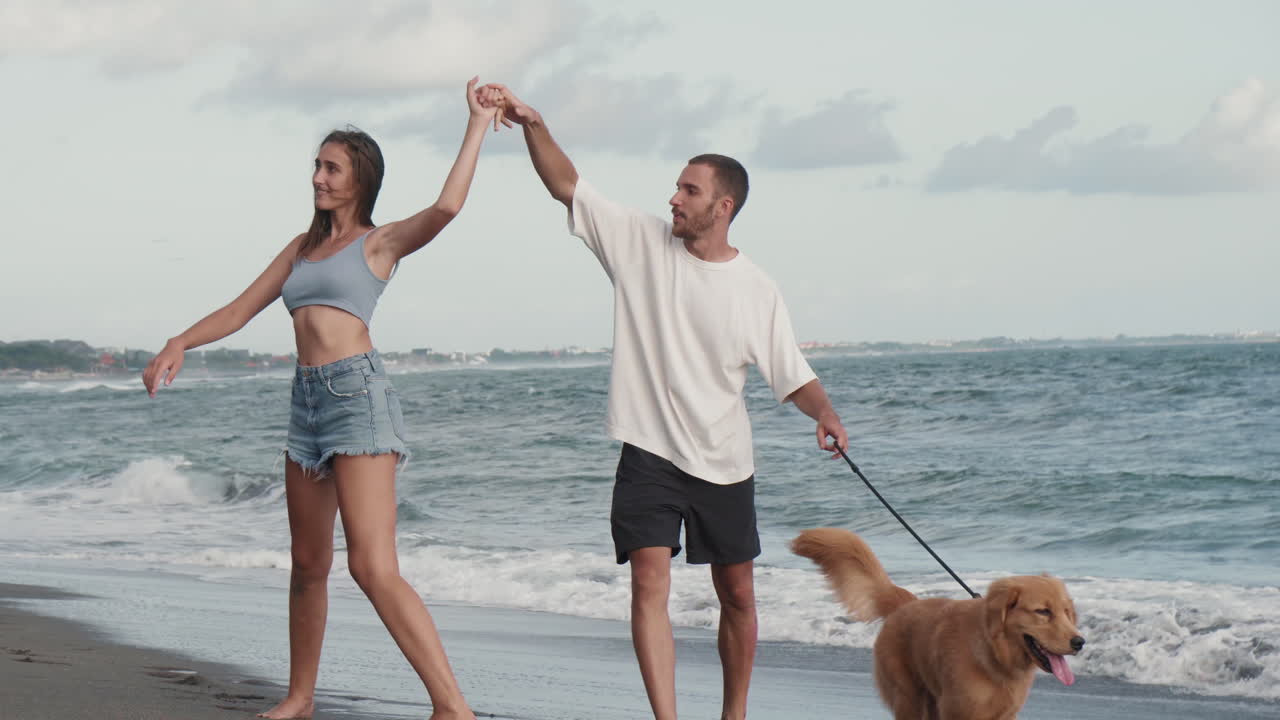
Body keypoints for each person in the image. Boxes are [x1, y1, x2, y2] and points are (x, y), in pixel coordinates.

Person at [480, 84, 849, 720]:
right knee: (649, 581)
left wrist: (826, 415)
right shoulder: (640, 243)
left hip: (723, 460)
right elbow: (569, 186)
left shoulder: (756, 289)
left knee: (737, 592)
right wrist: (534, 124)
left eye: (689, 190)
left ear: (723, 206)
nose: (673, 199)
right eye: (676, 188)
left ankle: (734, 715)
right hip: (648, 450)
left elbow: (791, 373)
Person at [141, 79, 501, 720]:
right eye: (316, 165)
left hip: (357, 398)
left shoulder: (379, 243)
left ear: (359, 180)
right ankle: (300, 698)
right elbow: (240, 308)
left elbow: (446, 208)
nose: (318, 177)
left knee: (371, 564)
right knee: (308, 564)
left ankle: (452, 707)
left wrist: (475, 123)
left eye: (330, 168)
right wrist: (180, 340)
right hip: (305, 405)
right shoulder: (302, 250)